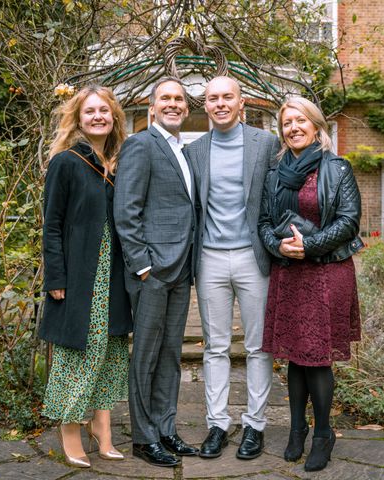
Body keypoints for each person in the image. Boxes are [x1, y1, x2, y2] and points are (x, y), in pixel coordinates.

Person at [258, 96, 363, 472]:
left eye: (300, 120)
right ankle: (296, 430)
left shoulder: (337, 168)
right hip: (289, 271)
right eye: (287, 123)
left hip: (325, 272)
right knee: (293, 356)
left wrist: (309, 244)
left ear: (316, 126)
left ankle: (323, 434)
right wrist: (278, 244)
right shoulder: (275, 173)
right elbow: (263, 224)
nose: (294, 128)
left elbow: (349, 221)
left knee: (316, 358)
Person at [185, 76, 280, 460]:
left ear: (242, 103)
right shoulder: (195, 150)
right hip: (209, 256)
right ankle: (217, 423)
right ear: (205, 106)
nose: (220, 103)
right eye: (213, 98)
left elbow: (279, 197)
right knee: (216, 346)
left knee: (258, 346)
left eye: (228, 97)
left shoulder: (266, 143)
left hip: (252, 256)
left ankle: (255, 424)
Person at [39, 85, 133, 468]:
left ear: (114, 118)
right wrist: (55, 277)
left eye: (104, 111)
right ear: (78, 119)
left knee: (111, 352)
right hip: (80, 274)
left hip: (114, 273)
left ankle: (103, 428)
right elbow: (52, 224)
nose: (98, 117)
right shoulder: (67, 162)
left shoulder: (118, 163)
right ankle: (70, 429)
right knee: (78, 353)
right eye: (90, 111)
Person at [113, 77, 199, 467]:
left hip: (181, 269)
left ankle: (166, 429)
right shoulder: (139, 145)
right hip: (153, 271)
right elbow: (126, 211)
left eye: (179, 99)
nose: (173, 104)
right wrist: (143, 265)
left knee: (170, 354)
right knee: (145, 355)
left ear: (186, 106)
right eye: (165, 98)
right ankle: (144, 438)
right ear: (152, 107)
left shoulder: (185, 149)